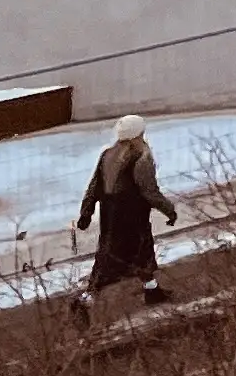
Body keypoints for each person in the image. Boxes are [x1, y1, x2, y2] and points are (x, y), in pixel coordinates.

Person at [72, 115, 177, 320]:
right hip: (133, 214)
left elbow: (94, 187)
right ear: (138, 135)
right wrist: (169, 210)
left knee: (111, 255)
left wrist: (86, 213)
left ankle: (152, 291)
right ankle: (85, 301)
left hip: (111, 215)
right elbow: (149, 191)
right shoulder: (141, 157)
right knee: (137, 253)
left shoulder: (107, 155)